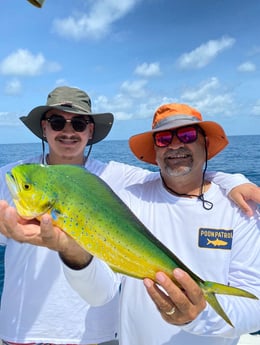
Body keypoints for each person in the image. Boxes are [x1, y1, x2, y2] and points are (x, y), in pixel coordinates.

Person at [0, 93, 259, 345]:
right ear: (45, 128)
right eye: (164, 139)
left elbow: (181, 180)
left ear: (90, 131)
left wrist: (233, 180)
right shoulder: (12, 176)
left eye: (188, 135)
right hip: (22, 328)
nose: (176, 145)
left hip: (94, 334)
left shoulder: (121, 180)